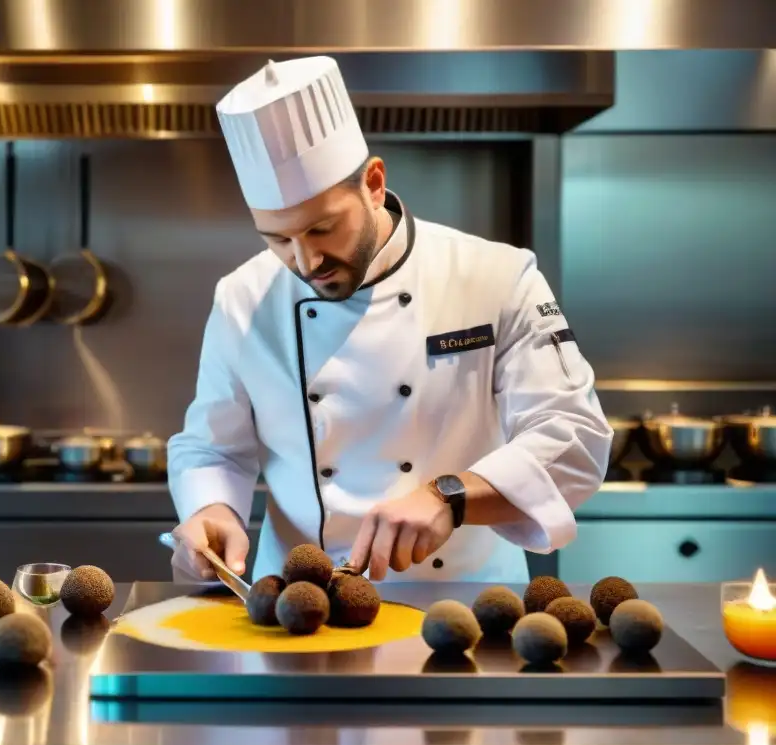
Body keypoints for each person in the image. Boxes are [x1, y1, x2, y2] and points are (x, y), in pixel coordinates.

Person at [167, 56, 612, 585]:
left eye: (323, 229)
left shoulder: (497, 275)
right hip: (298, 605)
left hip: (464, 605)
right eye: (277, 239)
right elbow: (212, 445)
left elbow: (575, 437)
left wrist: (451, 496)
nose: (307, 263)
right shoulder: (242, 297)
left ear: (373, 184)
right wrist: (212, 509)